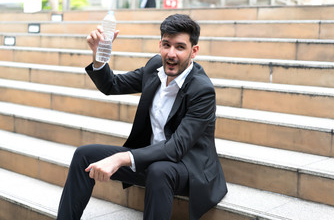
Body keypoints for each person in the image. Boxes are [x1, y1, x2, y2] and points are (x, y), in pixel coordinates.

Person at [57, 14, 227, 220]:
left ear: (194, 51)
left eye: (180, 47)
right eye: (166, 45)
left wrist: (121, 158)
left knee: (159, 170)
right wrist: (99, 57)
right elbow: (112, 85)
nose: (171, 54)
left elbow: (176, 148)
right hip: (151, 156)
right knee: (84, 155)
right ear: (159, 45)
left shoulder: (202, 90)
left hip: (188, 167)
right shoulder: (155, 67)